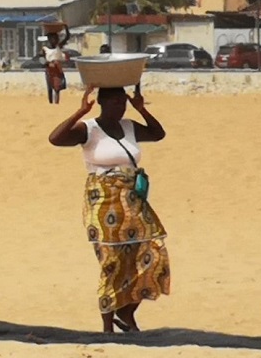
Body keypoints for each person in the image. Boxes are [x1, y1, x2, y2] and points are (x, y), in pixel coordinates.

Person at [47, 84, 171, 334]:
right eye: (115, 103)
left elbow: (158, 134)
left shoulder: (129, 127)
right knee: (112, 260)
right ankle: (107, 326)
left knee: (151, 252)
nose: (120, 108)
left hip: (132, 198)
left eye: (123, 103)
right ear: (103, 103)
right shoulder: (89, 129)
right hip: (102, 199)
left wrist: (141, 110)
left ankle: (127, 313)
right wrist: (80, 112)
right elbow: (55, 139)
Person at [42, 31, 69, 105]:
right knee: (50, 86)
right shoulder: (45, 48)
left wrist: (65, 27)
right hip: (50, 69)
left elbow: (67, 37)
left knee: (57, 86)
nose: (54, 40)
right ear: (49, 39)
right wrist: (48, 63)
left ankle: (56, 102)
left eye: (55, 38)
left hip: (57, 68)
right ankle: (50, 102)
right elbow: (42, 60)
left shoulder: (58, 46)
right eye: (52, 38)